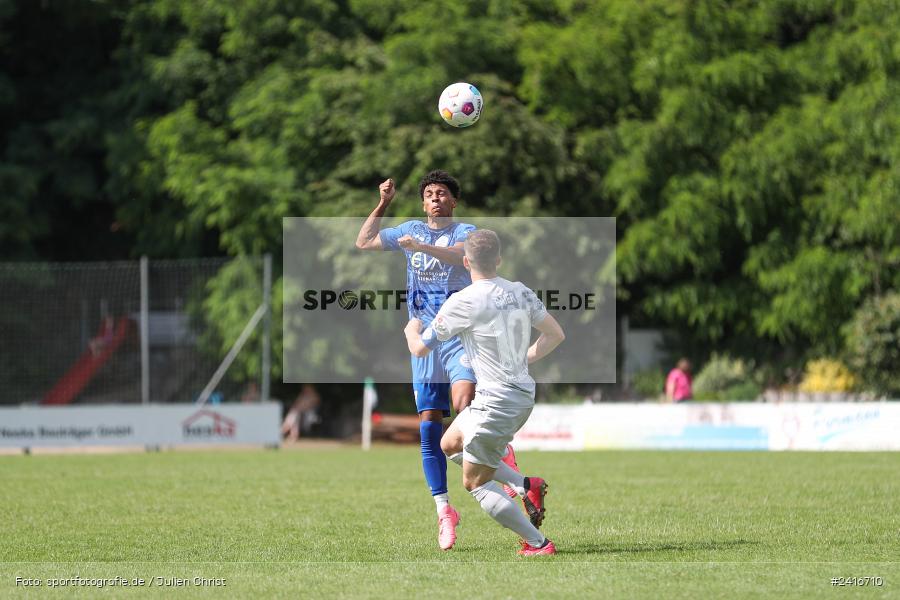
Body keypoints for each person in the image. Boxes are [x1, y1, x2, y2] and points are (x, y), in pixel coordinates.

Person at [355, 171, 525, 550]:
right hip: (424, 339)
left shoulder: (468, 231)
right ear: (422, 203)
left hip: (459, 335)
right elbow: (363, 241)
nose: (435, 199)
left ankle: (504, 463)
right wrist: (383, 203)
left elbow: (465, 257)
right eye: (429, 194)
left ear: (454, 202)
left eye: (442, 193)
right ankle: (444, 510)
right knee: (430, 427)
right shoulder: (411, 228)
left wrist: (422, 247)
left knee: (465, 405)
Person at [405, 229, 566, 556]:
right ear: (499, 260)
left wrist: (410, 331)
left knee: (474, 483)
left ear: (465, 262)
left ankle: (538, 544)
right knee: (449, 443)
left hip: (496, 402)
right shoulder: (520, 291)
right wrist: (526, 357)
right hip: (520, 394)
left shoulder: (461, 302)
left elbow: (421, 350)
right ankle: (524, 485)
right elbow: (555, 334)